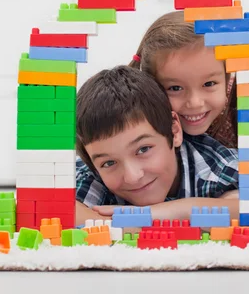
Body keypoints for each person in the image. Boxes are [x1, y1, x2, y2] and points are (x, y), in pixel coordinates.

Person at [74, 65, 239, 226]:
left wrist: (176, 212)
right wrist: (128, 226)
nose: (132, 177)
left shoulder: (216, 168)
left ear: (174, 131)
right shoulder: (92, 172)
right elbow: (59, 210)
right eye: (109, 163)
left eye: (143, 149)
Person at [128, 10, 238, 149]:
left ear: (227, 79)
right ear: (150, 87)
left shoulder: (245, 112)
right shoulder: (136, 123)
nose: (195, 103)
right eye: (175, 88)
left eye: (209, 84)